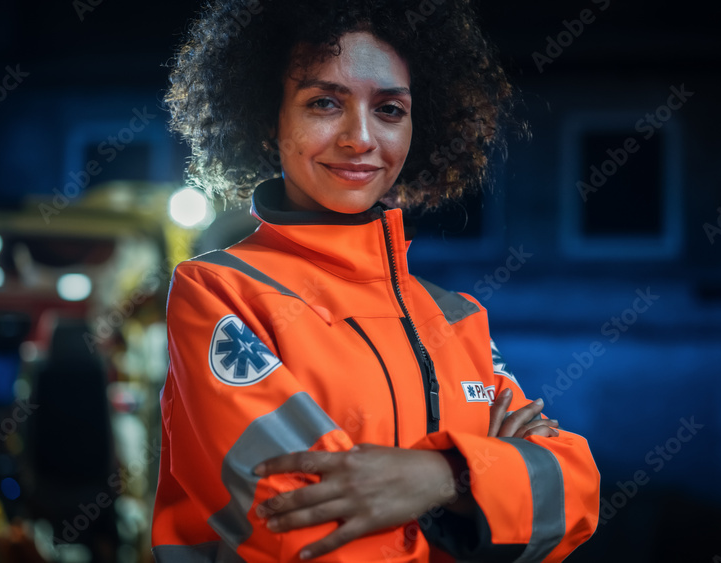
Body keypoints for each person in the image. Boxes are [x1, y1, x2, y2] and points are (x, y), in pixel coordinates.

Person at [151, 1, 600, 561]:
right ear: (270, 119)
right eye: (323, 104)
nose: (360, 138)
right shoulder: (220, 293)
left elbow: (573, 491)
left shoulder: (456, 317)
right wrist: (489, 482)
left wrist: (442, 474)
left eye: (389, 109)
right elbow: (302, 528)